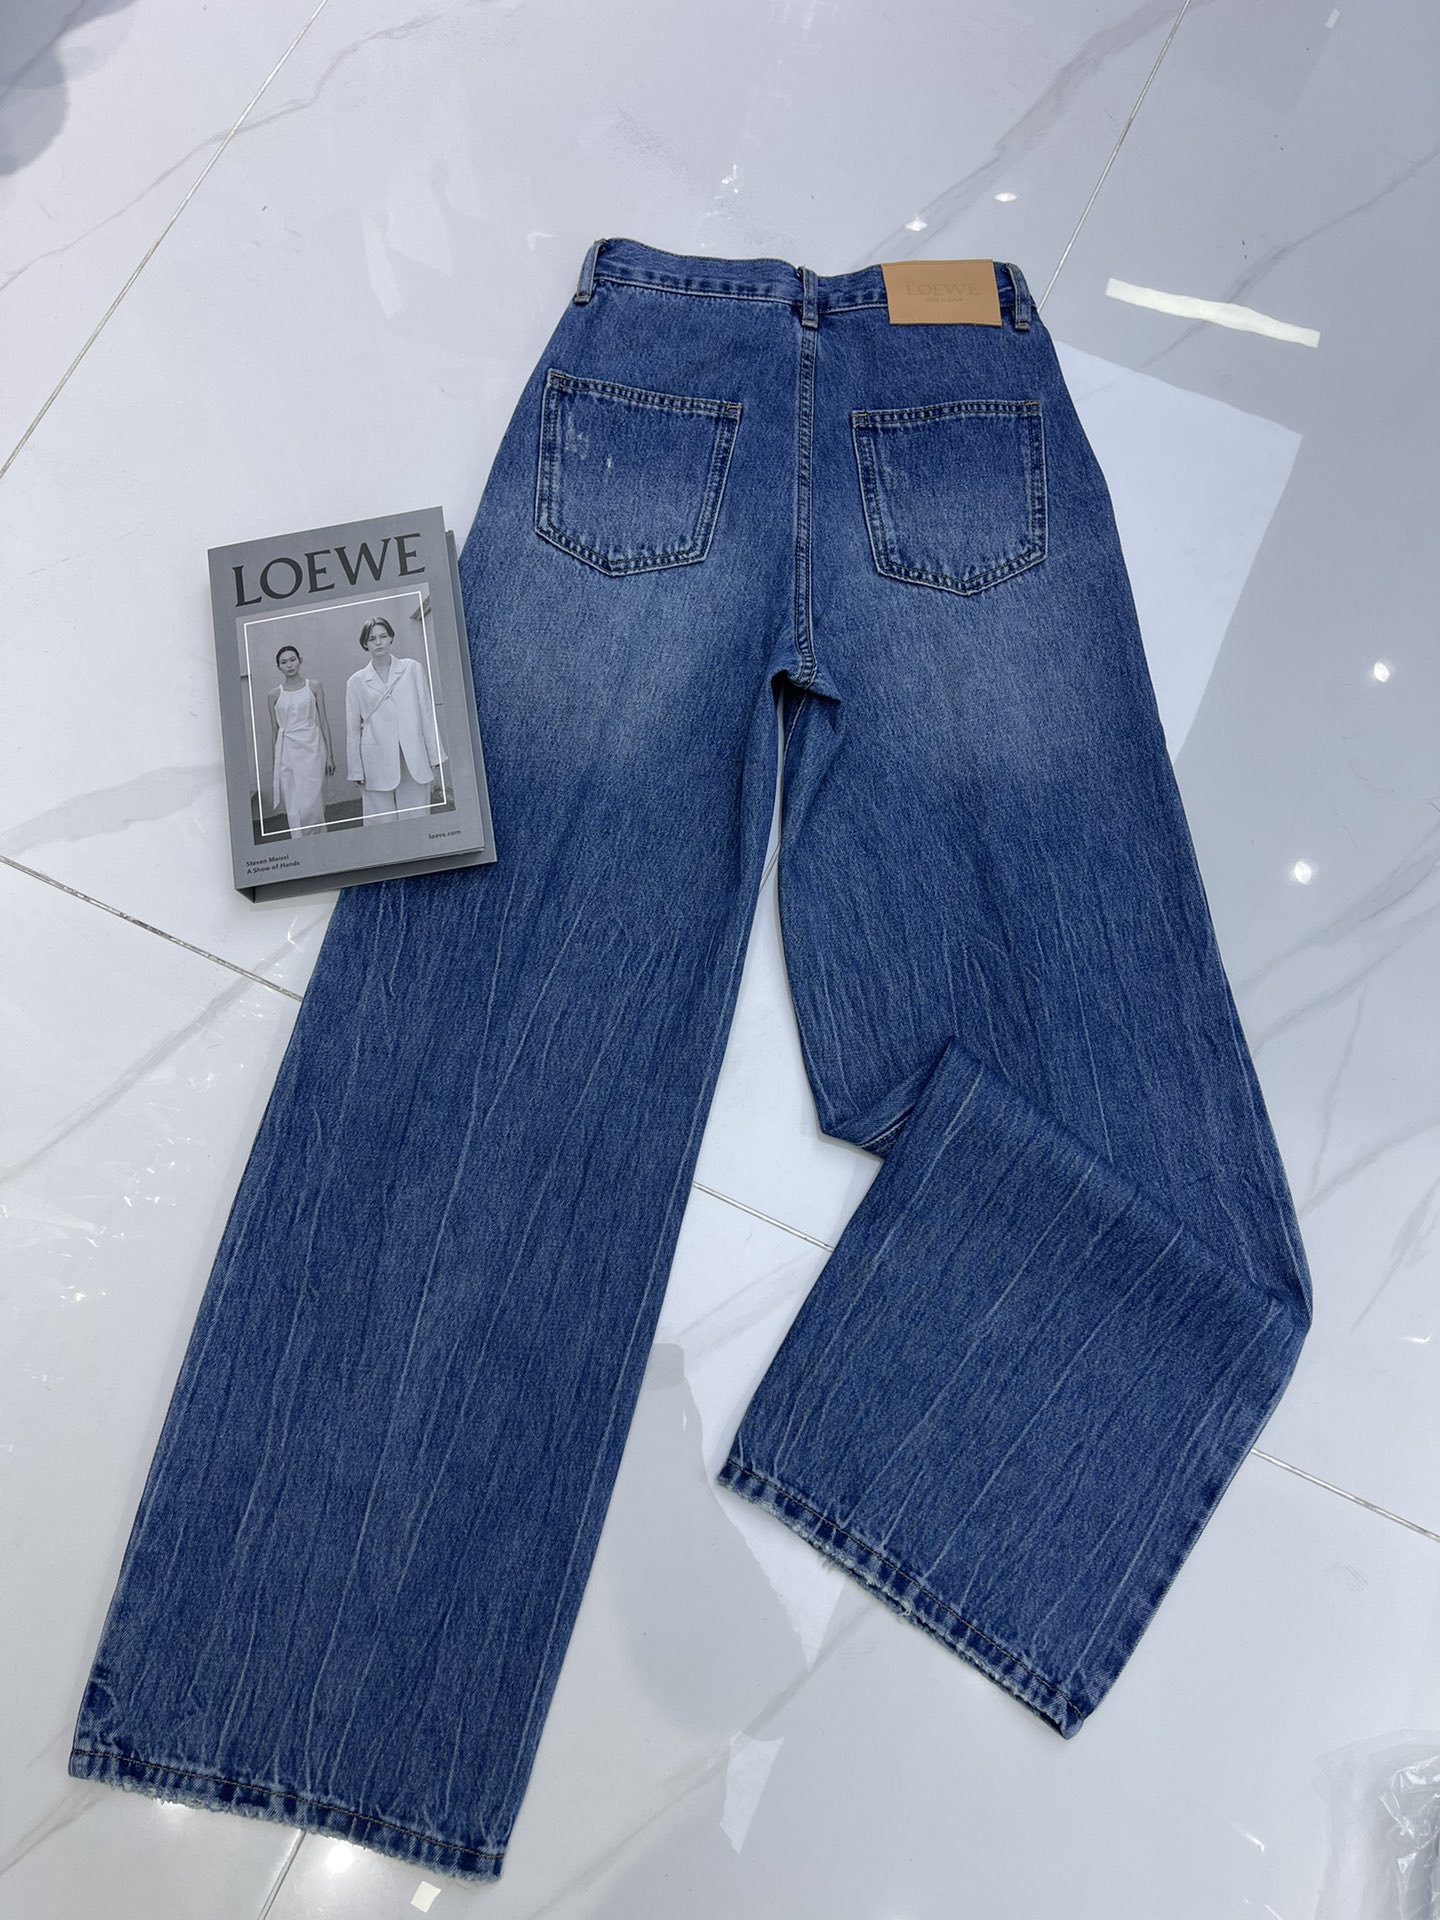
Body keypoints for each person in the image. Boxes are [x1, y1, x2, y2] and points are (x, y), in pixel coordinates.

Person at [344, 616, 442, 822]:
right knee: (381, 821)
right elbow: (352, 729)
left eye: (383, 636)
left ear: (391, 638)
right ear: (365, 644)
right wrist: (356, 770)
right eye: (372, 639)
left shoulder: (412, 669)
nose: (378, 642)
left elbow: (426, 713)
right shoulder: (356, 682)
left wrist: (434, 755)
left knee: (417, 817)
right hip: (375, 757)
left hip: (412, 754)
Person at [266, 643, 334, 836]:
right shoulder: (274, 695)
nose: (289, 665)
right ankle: (299, 843)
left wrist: (330, 756)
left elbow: (323, 721)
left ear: (300, 660)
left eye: (292, 660)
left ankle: (319, 842)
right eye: (284, 662)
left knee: (313, 804)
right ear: (278, 666)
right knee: (294, 805)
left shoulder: (314, 686)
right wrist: (275, 765)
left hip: (313, 749)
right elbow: (274, 730)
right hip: (287, 752)